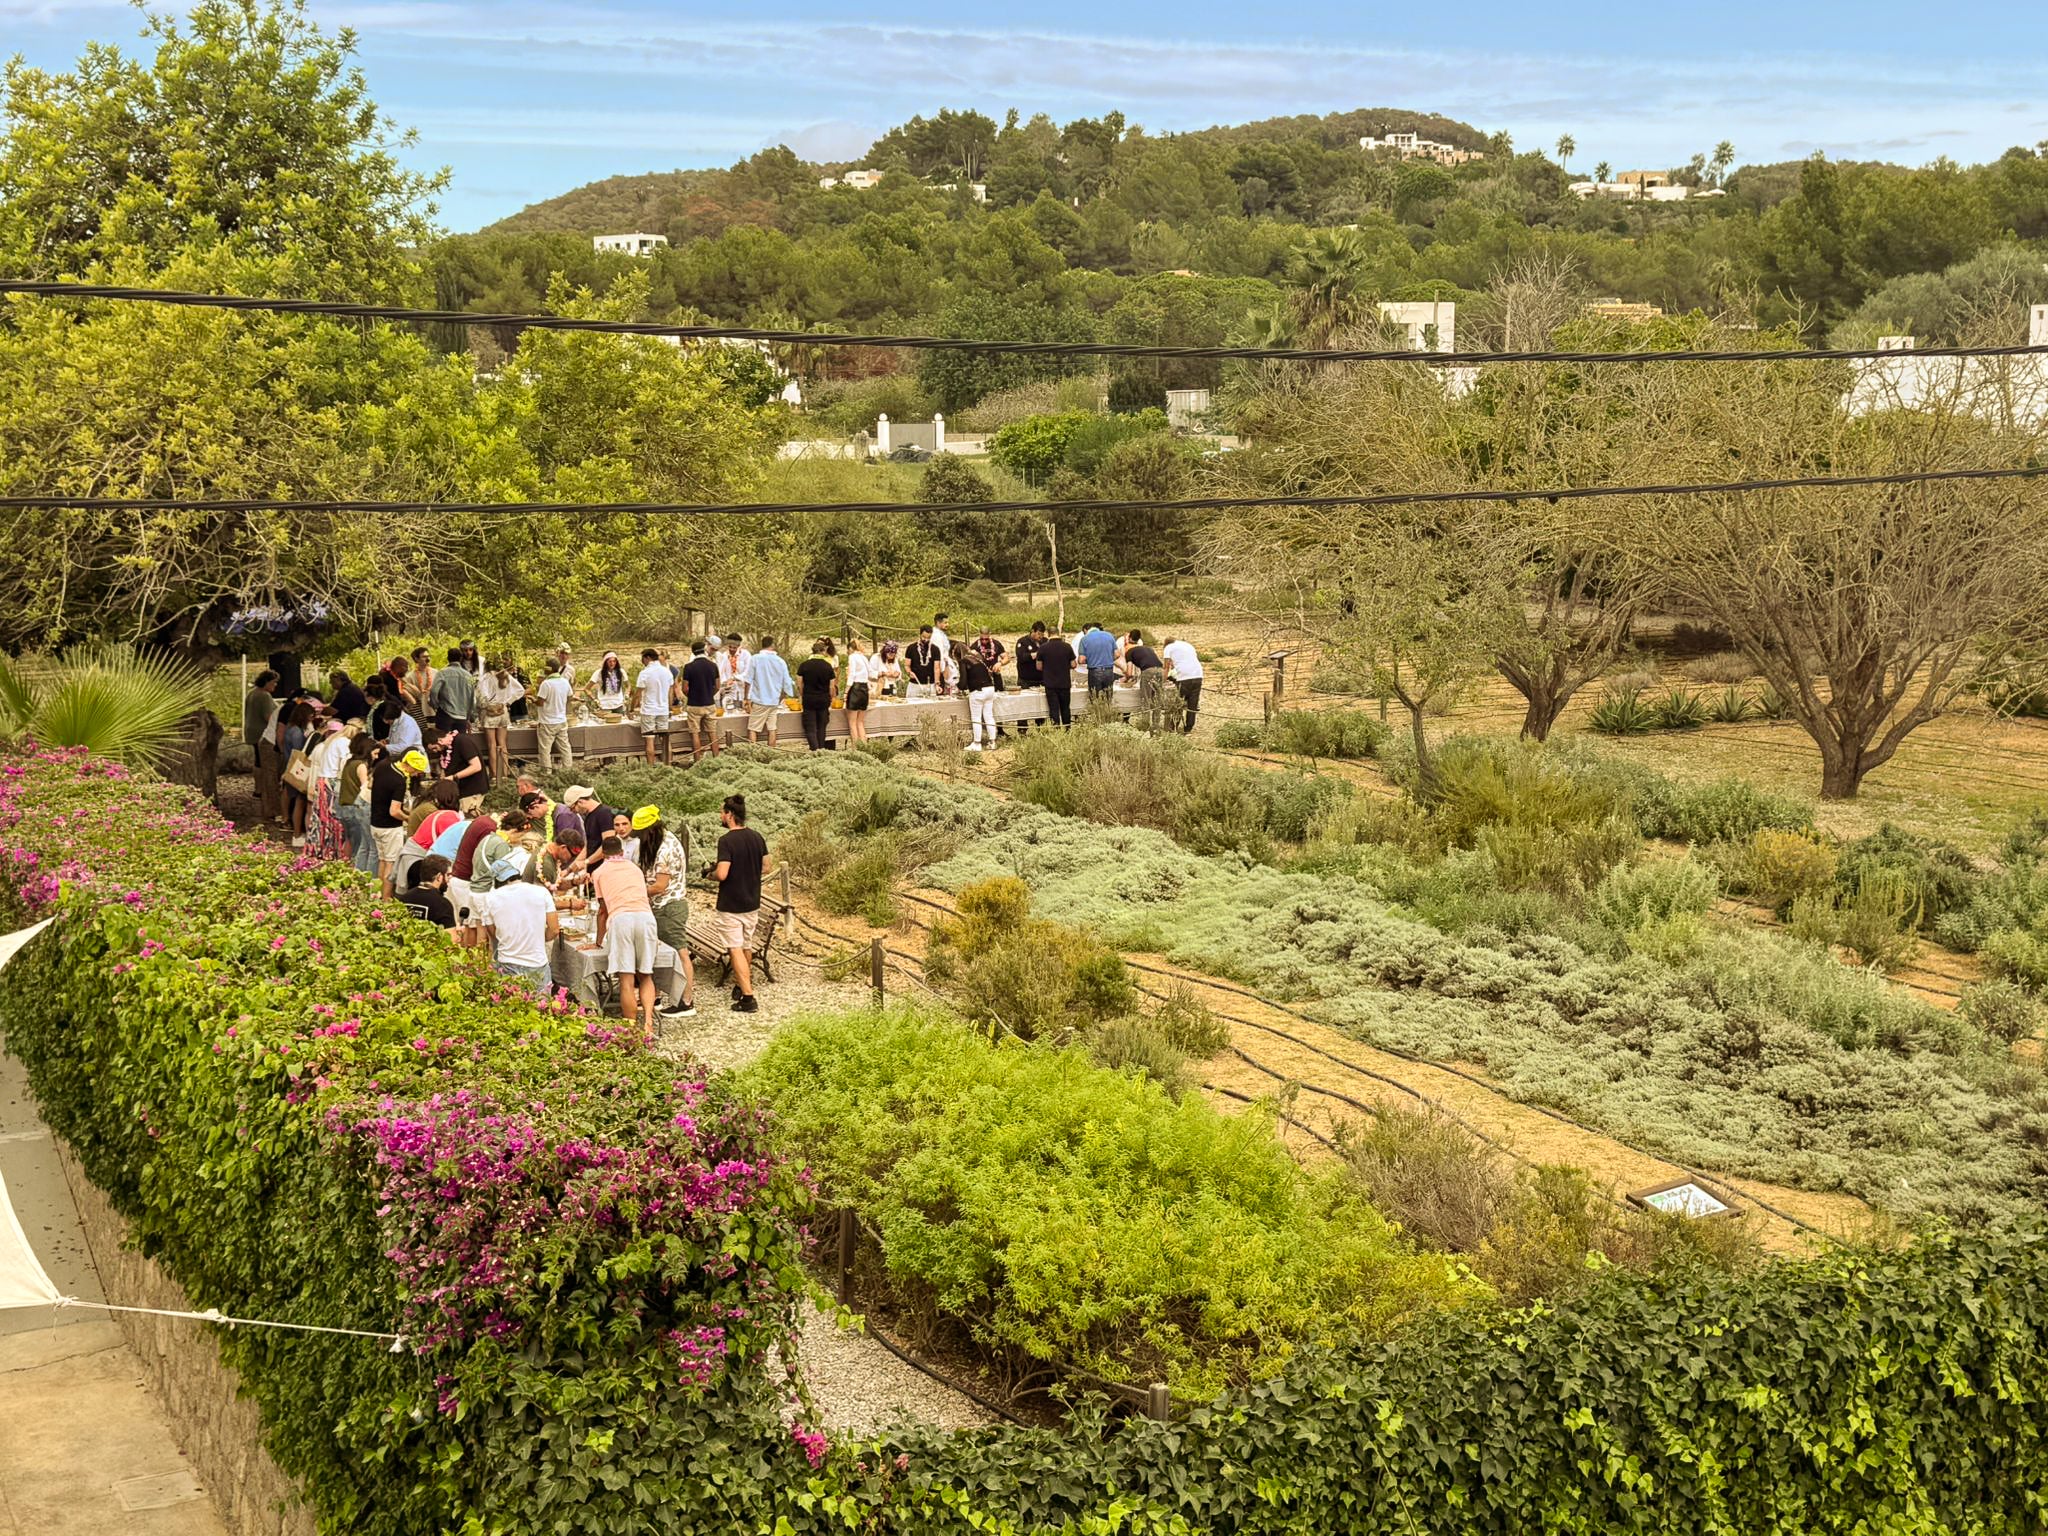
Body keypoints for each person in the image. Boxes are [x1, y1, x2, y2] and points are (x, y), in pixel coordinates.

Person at [631, 806, 697, 1021]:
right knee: (656, 954)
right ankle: (656, 996)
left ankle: (685, 1001)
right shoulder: (662, 840)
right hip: (659, 906)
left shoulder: (665, 850)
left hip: (668, 906)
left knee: (679, 953)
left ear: (649, 830)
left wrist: (634, 891)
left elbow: (659, 886)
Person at [592, 834, 660, 1041]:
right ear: (622, 852)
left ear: (603, 854)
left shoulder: (599, 872)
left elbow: (603, 911)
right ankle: (648, 1022)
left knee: (626, 979)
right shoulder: (635, 869)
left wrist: (598, 940)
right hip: (646, 918)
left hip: (621, 920)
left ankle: (631, 1029)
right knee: (646, 974)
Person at [709, 794, 768, 1013]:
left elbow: (722, 874)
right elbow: (767, 866)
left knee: (734, 949)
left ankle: (748, 997)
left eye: (722, 812)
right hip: (752, 900)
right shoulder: (757, 837)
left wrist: (711, 875)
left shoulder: (726, 841)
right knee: (746, 945)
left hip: (731, 903)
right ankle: (740, 984)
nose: (721, 816)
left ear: (730, 815)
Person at [488, 864, 558, 997]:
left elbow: (493, 933)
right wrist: (537, 939)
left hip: (507, 963)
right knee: (542, 1013)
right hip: (537, 963)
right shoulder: (541, 892)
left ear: (497, 881)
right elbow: (554, 930)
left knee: (511, 1011)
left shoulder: (490, 898)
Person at [372, 748, 427, 895]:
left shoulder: (383, 766)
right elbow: (394, 811)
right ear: (410, 766)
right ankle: (386, 900)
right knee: (390, 864)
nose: (416, 774)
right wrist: (409, 818)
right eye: (416, 771)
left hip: (375, 823)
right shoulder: (399, 781)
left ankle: (377, 895)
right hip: (390, 827)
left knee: (382, 861)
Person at [306, 719, 354, 860]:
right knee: (334, 819)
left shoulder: (323, 745)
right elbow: (344, 765)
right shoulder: (344, 743)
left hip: (321, 782)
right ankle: (334, 851)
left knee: (320, 819)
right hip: (331, 783)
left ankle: (318, 849)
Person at [336, 735, 382, 875]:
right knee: (363, 845)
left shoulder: (349, 762)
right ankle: (362, 875)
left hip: (344, 806)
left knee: (353, 842)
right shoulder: (361, 766)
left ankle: (353, 873)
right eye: (375, 753)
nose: (376, 757)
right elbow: (365, 788)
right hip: (355, 807)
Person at [242, 669, 283, 824]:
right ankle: (261, 789)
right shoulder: (264, 696)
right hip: (262, 732)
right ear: (267, 682)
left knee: (258, 761)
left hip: (251, 730)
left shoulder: (252, 693)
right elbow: (269, 717)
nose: (275, 685)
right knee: (263, 762)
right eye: (273, 682)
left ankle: (258, 788)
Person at [477, 656, 524, 780]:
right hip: (503, 711)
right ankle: (504, 773)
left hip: (490, 713)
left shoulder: (485, 678)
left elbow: (481, 698)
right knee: (502, 744)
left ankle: (494, 775)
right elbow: (520, 690)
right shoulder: (506, 676)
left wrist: (487, 706)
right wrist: (507, 702)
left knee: (491, 744)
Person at [280, 699, 319, 847]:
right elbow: (300, 752)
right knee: (300, 802)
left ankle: (297, 833)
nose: (312, 718)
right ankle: (297, 834)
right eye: (311, 715)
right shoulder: (297, 732)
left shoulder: (291, 728)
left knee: (297, 801)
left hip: (290, 767)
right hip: (298, 769)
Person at [431, 723, 490, 814]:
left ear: (440, 740)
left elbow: (476, 766)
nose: (435, 751)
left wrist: (453, 777)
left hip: (471, 790)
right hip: (459, 791)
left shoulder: (462, 741)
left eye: (434, 748)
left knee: (467, 819)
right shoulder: (445, 748)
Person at [744, 637, 791, 746]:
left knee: (753, 728)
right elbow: (787, 684)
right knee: (772, 728)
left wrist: (746, 698)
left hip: (759, 700)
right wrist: (781, 698)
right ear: (773, 645)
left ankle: (753, 753)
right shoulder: (780, 661)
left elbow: (747, 681)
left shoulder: (755, 658)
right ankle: (771, 752)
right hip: (774, 701)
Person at [679, 640, 721, 762]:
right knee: (712, 732)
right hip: (709, 703)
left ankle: (697, 760)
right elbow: (718, 686)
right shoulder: (713, 666)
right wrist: (709, 694)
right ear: (704, 650)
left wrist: (691, 695)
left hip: (694, 704)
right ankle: (717, 759)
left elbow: (685, 688)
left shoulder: (688, 667)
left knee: (695, 733)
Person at [633, 647, 676, 764]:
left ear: (647, 658)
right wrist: (669, 707)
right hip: (663, 710)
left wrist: (631, 708)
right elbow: (670, 692)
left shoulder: (645, 673)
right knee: (665, 740)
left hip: (649, 710)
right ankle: (668, 765)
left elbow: (637, 694)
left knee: (649, 740)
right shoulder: (667, 672)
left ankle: (651, 768)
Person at [532, 656, 574, 772]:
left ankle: (547, 773)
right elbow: (570, 697)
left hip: (547, 722)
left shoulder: (546, 684)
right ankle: (568, 771)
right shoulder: (564, 682)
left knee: (545, 750)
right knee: (565, 748)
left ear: (548, 669)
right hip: (561, 720)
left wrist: (532, 699)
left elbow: (540, 702)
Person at [956, 639, 997, 752]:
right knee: (989, 716)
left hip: (978, 691)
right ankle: (992, 742)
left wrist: (957, 685)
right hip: (990, 688)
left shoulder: (964, 661)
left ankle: (977, 743)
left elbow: (963, 683)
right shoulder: (978, 658)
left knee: (976, 718)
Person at [796, 640, 837, 752]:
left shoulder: (804, 665)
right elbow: (832, 686)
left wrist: (802, 694)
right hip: (823, 699)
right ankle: (822, 749)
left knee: (810, 727)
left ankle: (814, 750)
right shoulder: (828, 666)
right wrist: (831, 697)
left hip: (809, 698)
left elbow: (799, 684)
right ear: (823, 651)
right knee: (821, 726)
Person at [1124, 629, 1167, 732]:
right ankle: (1156, 726)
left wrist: (1126, 678)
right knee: (1157, 698)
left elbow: (1129, 672)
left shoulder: (1128, 652)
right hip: (1160, 670)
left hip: (1148, 672)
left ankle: (1145, 726)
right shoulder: (1147, 648)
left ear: (1128, 640)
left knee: (1146, 699)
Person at [427, 646, 477, 733]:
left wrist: (435, 705)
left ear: (448, 658)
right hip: (462, 716)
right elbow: (472, 698)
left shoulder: (442, 673)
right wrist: (469, 716)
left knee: (443, 742)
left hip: (445, 714)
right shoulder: (468, 675)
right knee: (459, 743)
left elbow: (434, 691)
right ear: (461, 659)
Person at [1162, 635, 1204, 735]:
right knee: (1192, 704)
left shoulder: (1168, 648)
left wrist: (1163, 681)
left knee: (1179, 702)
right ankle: (1188, 729)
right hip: (1198, 675)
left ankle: (1173, 726)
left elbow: (1166, 667)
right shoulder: (1187, 645)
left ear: (1166, 644)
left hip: (1184, 677)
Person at [401, 855, 458, 929]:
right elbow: (450, 937)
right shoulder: (443, 905)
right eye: (448, 875)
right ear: (439, 877)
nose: (450, 878)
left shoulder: (403, 899)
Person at [563, 786, 621, 857]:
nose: (573, 812)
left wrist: (588, 861)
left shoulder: (604, 813)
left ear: (580, 802)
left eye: (572, 808)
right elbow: (589, 844)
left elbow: (608, 847)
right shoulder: (588, 817)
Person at [1037, 627, 1077, 728]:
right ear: (1058, 633)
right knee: (1065, 708)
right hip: (1064, 683)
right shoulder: (1067, 646)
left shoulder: (1043, 648)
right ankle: (1067, 729)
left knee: (1054, 709)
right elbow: (1073, 664)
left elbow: (1039, 666)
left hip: (1050, 684)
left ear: (1048, 634)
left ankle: (1056, 731)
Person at [843, 636, 874, 745]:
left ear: (850, 649)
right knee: (860, 722)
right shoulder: (864, 657)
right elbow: (871, 673)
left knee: (852, 722)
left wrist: (846, 691)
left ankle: (855, 747)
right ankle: (864, 746)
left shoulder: (852, 657)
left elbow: (852, 675)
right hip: (864, 688)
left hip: (855, 688)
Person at [1078, 622, 1118, 702]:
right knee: (1108, 698)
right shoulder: (1109, 636)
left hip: (1094, 671)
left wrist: (1091, 660)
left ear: (1086, 631)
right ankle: (1107, 713)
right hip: (1109, 670)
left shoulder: (1084, 639)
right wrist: (1108, 659)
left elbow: (1081, 660)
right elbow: (1117, 654)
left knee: (1095, 698)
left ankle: (1096, 713)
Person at [715, 633, 752, 716]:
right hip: (730, 691)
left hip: (744, 691)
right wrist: (725, 682)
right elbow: (721, 672)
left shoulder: (746, 655)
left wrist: (735, 678)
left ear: (738, 646)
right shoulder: (724, 655)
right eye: (730, 647)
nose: (732, 649)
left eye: (734, 648)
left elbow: (748, 672)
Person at [377, 694, 422, 760]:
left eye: (386, 719)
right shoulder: (396, 720)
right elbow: (397, 736)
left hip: (413, 758)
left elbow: (404, 746)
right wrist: (387, 740)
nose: (385, 722)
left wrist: (385, 747)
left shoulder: (407, 724)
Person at [904, 626, 940, 698]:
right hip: (915, 684)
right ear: (920, 634)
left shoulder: (935, 649)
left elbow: (937, 668)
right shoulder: (911, 648)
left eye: (928, 638)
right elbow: (907, 665)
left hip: (930, 684)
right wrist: (909, 672)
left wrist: (937, 684)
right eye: (924, 637)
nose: (926, 640)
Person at [405, 647, 436, 721]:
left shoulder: (436, 673)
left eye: (428, 656)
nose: (427, 659)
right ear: (416, 659)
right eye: (424, 657)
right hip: (419, 714)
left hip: (434, 712)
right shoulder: (410, 676)